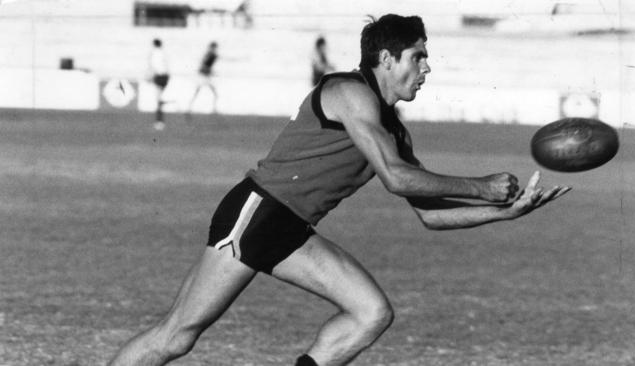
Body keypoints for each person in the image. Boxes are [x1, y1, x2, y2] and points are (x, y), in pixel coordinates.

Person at [108, 14, 570, 366]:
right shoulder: (351, 92)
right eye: (418, 56)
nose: (427, 68)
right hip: (257, 213)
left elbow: (429, 213)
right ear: (387, 59)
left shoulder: (393, 128)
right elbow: (395, 176)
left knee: (371, 313)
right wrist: (481, 187)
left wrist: (504, 212)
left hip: (288, 225)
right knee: (178, 335)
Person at [187, 41, 219, 115]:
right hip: (204, 76)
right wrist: (211, 72)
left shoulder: (210, 55)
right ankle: (189, 107)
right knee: (198, 92)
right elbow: (204, 66)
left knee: (212, 93)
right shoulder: (210, 55)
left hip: (205, 76)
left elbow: (203, 65)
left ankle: (214, 109)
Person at [148, 38, 170, 130]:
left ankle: (159, 122)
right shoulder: (162, 52)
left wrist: (150, 77)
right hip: (165, 76)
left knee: (158, 100)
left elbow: (153, 66)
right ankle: (160, 121)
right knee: (160, 99)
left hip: (159, 76)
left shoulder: (154, 53)